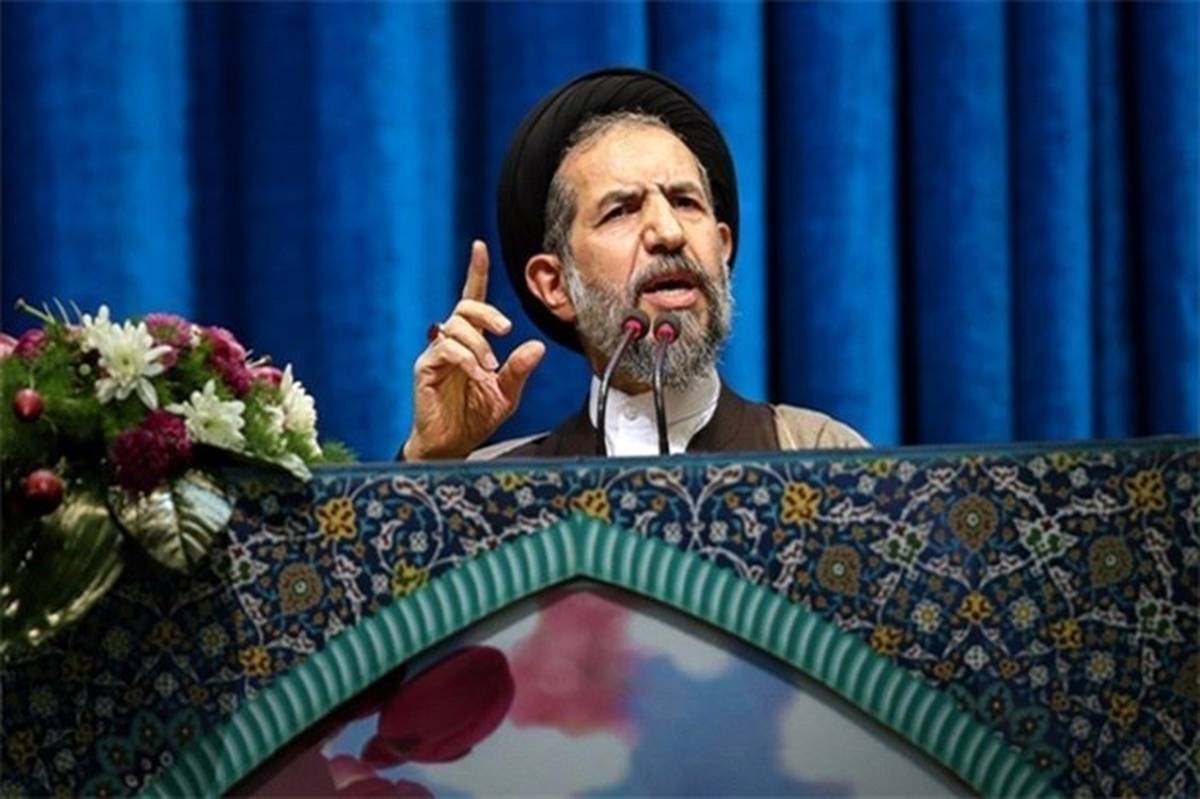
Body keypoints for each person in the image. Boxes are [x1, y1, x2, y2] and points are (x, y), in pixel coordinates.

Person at [400, 67, 866, 462]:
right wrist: (429, 463)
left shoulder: (819, 452)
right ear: (555, 285)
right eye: (622, 210)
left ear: (723, 248)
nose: (669, 232)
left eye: (685, 202)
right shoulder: (497, 484)